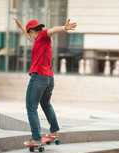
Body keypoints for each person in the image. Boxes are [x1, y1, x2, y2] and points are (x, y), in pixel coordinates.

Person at [14, 18, 77, 146]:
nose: (29, 36)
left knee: (31, 108)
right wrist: (21, 26)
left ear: (32, 31)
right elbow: (28, 37)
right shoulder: (39, 41)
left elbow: (52, 30)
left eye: (29, 32)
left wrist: (64, 28)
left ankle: (36, 138)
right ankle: (54, 131)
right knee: (46, 104)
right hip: (49, 78)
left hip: (38, 78)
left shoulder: (43, 36)